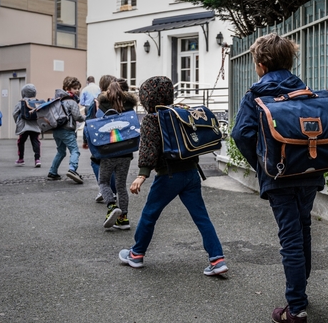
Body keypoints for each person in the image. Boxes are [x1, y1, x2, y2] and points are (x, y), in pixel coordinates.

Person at [231, 33, 325, 323]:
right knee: (303, 227)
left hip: (279, 175)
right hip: (310, 171)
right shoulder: (304, 91)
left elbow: (240, 134)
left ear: (260, 65)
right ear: (289, 59)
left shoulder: (256, 95)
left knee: (290, 238)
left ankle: (295, 310)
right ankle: (301, 293)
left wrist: (263, 164)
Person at [119, 76, 228, 276]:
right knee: (201, 217)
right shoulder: (180, 112)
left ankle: (136, 254)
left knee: (149, 214)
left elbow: (148, 148)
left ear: (146, 98)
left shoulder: (152, 119)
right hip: (191, 173)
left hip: (168, 176)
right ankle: (217, 259)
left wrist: (142, 175)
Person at [97, 80, 138, 230]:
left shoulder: (102, 105)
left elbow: (96, 124)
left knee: (103, 181)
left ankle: (111, 205)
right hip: (126, 151)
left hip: (108, 151)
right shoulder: (130, 106)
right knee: (121, 185)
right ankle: (123, 219)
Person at [48, 77, 86, 183]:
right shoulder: (71, 101)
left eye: (78, 88)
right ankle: (72, 169)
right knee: (75, 151)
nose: (77, 90)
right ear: (66, 88)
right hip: (67, 130)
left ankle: (53, 172)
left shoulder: (57, 100)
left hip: (56, 130)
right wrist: (86, 118)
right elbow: (78, 117)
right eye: (75, 88)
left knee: (61, 151)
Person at [90, 74, 117, 202]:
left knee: (96, 161)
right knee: (114, 162)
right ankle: (113, 189)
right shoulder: (118, 100)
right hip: (117, 135)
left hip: (101, 136)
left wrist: (86, 140)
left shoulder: (97, 101)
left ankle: (105, 188)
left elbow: (90, 122)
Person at [13, 84, 42, 167]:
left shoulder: (21, 102)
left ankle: (21, 159)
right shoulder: (37, 102)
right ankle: (37, 159)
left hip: (24, 126)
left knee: (21, 142)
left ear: (23, 92)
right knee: (36, 142)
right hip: (35, 126)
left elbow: (14, 113)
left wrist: (17, 122)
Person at [79, 76, 101, 149]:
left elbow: (81, 102)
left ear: (87, 81)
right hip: (97, 106)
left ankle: (86, 141)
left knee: (87, 124)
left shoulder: (85, 89)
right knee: (97, 123)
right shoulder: (98, 88)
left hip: (88, 107)